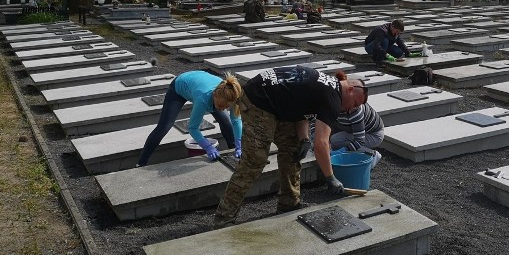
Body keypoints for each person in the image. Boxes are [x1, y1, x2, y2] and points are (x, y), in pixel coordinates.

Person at [214, 66, 369, 228]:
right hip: (257, 101)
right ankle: (224, 217)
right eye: (355, 104)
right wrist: (330, 177)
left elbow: (300, 109)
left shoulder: (328, 87)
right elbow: (321, 143)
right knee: (254, 161)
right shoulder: (334, 98)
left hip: (275, 102)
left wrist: (304, 139)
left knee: (293, 150)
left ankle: (289, 203)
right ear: (350, 90)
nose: (351, 109)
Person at [136, 71, 243, 167]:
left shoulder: (232, 95)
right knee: (164, 127)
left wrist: (239, 144)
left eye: (226, 107)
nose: (222, 109)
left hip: (199, 81)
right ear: (214, 95)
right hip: (180, 86)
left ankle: (234, 153)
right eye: (220, 106)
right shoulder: (203, 98)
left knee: (226, 121)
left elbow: (236, 120)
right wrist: (207, 146)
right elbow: (192, 128)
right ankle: (141, 163)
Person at [330, 102, 384, 167]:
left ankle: (372, 155)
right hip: (358, 132)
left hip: (374, 135)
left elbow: (359, 141)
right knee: (335, 140)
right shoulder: (332, 107)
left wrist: (342, 151)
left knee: (337, 141)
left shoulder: (354, 110)